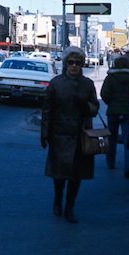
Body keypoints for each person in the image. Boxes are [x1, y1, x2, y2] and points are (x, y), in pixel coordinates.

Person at [40, 46, 99, 223]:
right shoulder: (56, 83)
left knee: (76, 175)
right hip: (60, 134)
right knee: (59, 174)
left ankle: (70, 207)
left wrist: (85, 106)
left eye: (78, 63)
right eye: (71, 62)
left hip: (80, 135)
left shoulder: (87, 84)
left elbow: (95, 108)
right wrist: (44, 133)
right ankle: (58, 200)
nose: (74, 66)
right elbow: (47, 110)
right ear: (66, 63)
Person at [100, 56, 129, 175]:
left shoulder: (110, 78)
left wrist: (110, 103)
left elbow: (104, 94)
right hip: (128, 112)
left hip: (113, 111)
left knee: (111, 138)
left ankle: (111, 162)